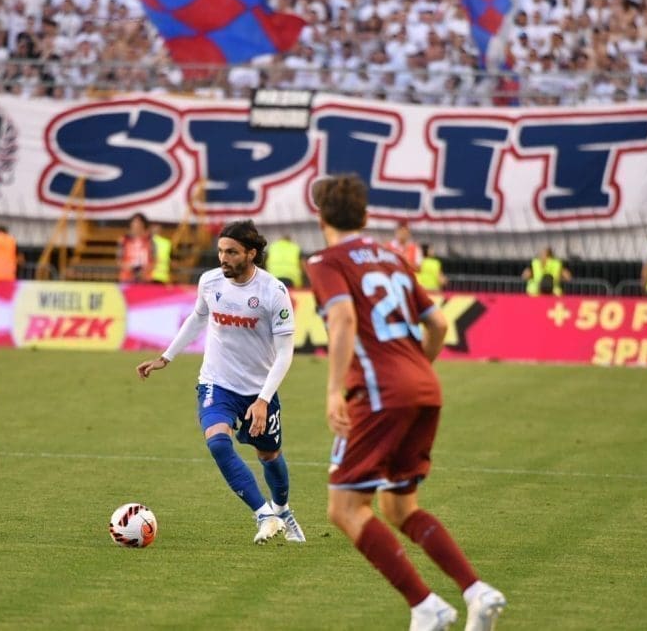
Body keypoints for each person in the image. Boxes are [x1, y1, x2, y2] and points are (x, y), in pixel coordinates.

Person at [305, 174, 505, 631]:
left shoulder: (325, 262)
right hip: (424, 387)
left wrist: (334, 390)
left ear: (321, 218)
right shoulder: (392, 257)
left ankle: (426, 606)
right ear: (365, 216)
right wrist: (415, 371)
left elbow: (343, 319)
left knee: (344, 507)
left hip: (380, 393)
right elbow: (438, 325)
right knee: (399, 508)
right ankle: (477, 592)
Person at [135, 220, 305, 545]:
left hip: (259, 389)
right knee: (217, 443)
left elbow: (285, 353)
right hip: (217, 382)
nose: (223, 258)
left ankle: (282, 510)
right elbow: (198, 317)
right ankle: (264, 514)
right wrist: (166, 357)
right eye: (221, 251)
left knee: (269, 456)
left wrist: (263, 400)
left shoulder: (273, 292)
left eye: (231, 252)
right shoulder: (210, 281)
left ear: (251, 253)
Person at [117, 212, 153, 283]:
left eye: (139, 223)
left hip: (145, 279)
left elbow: (154, 260)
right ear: (131, 225)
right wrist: (128, 268)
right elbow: (119, 260)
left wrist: (144, 271)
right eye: (135, 223)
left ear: (144, 226)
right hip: (127, 278)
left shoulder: (150, 241)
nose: (137, 226)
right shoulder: (124, 240)